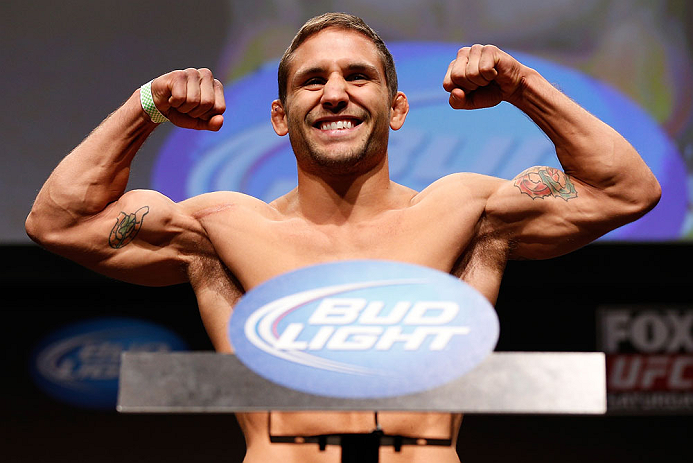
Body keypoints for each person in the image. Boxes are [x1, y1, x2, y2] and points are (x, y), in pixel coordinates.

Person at [26, 12, 660, 463]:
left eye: (358, 76)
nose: (335, 94)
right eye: (311, 80)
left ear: (398, 107)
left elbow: (626, 190)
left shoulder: (468, 211)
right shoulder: (221, 227)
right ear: (279, 117)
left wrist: (524, 86)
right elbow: (59, 221)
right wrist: (147, 108)